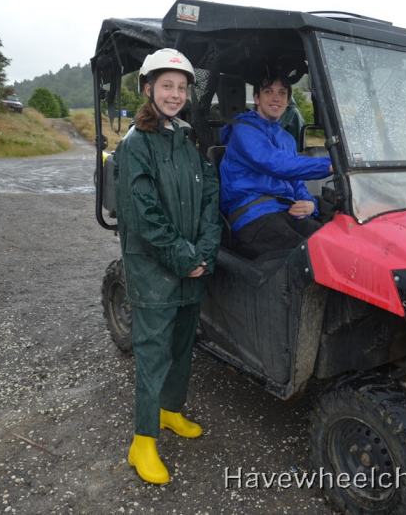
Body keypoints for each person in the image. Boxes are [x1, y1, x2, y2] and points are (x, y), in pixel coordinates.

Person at [113, 48, 221, 485]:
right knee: (153, 354)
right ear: (147, 89)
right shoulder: (136, 145)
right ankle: (142, 442)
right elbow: (142, 214)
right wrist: (183, 256)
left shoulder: (188, 138)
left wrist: (205, 252)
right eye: (166, 86)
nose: (175, 94)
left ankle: (170, 411)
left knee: (181, 345)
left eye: (181, 87)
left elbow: (211, 198)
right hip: (154, 269)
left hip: (191, 264)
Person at [219, 74, 332, 259]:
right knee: (308, 259)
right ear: (257, 98)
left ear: (288, 101)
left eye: (282, 93)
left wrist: (311, 205)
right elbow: (275, 163)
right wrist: (329, 164)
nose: (276, 98)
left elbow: (296, 181)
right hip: (253, 214)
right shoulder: (243, 129)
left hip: (285, 211)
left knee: (333, 245)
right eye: (268, 91)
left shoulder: (286, 138)